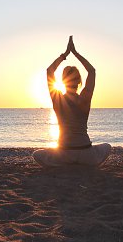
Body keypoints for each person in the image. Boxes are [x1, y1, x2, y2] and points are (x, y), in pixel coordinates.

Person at [33, 36, 111, 167]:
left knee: (37, 154)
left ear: (63, 81)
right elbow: (92, 71)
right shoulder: (85, 98)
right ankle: (84, 163)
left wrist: (65, 54)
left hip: (63, 153)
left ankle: (64, 164)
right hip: (86, 154)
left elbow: (49, 71)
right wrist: (75, 53)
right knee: (107, 146)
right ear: (80, 82)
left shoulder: (58, 99)